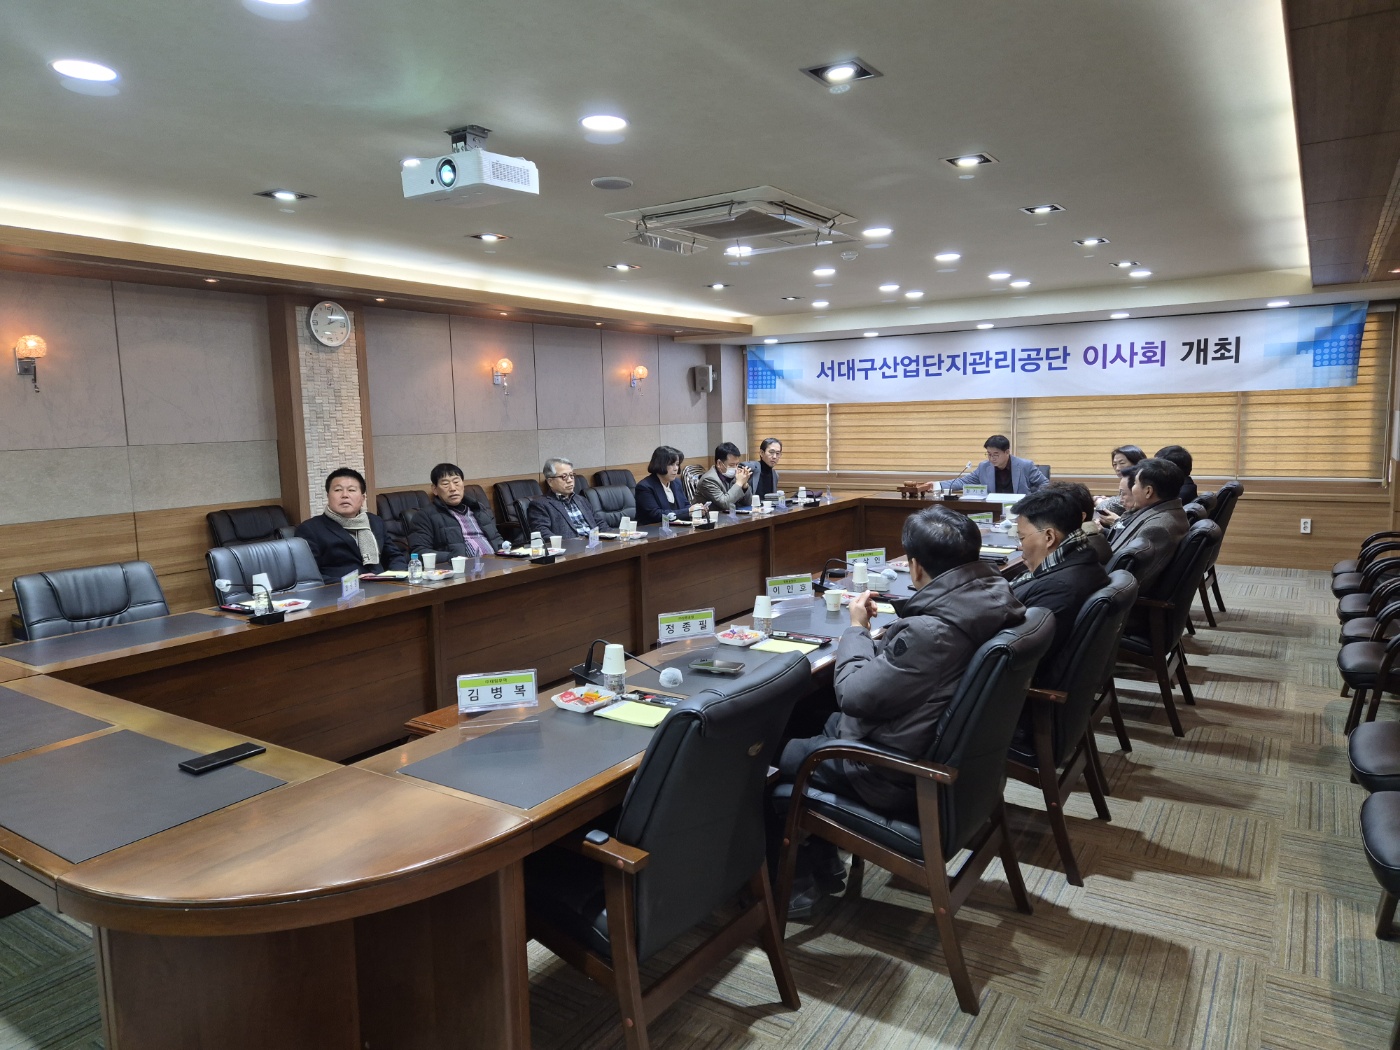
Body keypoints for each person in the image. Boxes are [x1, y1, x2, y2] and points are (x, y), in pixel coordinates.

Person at [776, 504, 1026, 914]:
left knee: (766, 752)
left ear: (915, 566)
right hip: (941, 757)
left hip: (889, 772)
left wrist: (857, 629)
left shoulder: (933, 631)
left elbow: (853, 694)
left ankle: (793, 886)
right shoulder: (995, 597)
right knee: (807, 716)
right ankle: (824, 858)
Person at [1010, 488, 1110, 680]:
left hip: (1022, 686)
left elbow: (1019, 654)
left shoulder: (1058, 588)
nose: (1020, 546)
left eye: (1022, 538)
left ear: (1049, 537)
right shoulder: (1083, 557)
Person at [295, 468, 406, 582]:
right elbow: (309, 575)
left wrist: (395, 577)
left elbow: (394, 556)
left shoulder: (374, 522)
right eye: (338, 490)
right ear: (328, 496)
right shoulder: (310, 529)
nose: (345, 495)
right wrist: (351, 582)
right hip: (339, 590)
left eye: (351, 490)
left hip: (383, 587)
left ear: (363, 498)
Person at [1108, 457, 1189, 591]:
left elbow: (1135, 581)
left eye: (1134, 483)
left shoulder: (1157, 528)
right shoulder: (1168, 509)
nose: (1132, 488)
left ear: (1148, 491)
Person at [408, 462, 507, 559]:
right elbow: (419, 551)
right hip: (461, 567)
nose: (453, 488)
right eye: (445, 484)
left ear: (463, 485)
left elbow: (496, 538)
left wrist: (505, 550)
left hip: (495, 562)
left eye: (456, 482)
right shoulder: (424, 516)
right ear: (435, 489)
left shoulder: (478, 508)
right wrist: (453, 558)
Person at [947, 434, 1047, 495]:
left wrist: (1032, 500)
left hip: (1020, 509)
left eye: (996, 454)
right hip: (994, 508)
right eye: (989, 454)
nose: (991, 458)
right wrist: (938, 485)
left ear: (1007, 452)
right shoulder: (984, 467)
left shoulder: (1025, 465)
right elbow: (963, 482)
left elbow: (1045, 484)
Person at [526, 457, 599, 539]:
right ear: (550, 482)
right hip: (570, 545)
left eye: (571, 475)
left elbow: (599, 523)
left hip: (595, 543)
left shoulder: (581, 500)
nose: (570, 480)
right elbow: (542, 533)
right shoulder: (540, 505)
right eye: (564, 477)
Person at [1045, 480, 1112, 564]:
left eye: (1052, 513)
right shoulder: (1095, 542)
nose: (1046, 520)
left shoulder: (1078, 555)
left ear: (1081, 517)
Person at [634, 445, 704, 525]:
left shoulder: (676, 483)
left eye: (677, 464)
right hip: (653, 530)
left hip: (677, 529)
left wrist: (696, 510)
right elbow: (656, 514)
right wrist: (688, 512)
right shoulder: (644, 487)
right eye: (671, 464)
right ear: (660, 464)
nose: (676, 468)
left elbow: (685, 505)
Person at [697, 442, 753, 510]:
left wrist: (744, 486)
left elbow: (748, 503)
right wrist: (739, 483)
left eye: (737, 464)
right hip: (712, 516)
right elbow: (725, 504)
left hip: (732, 515)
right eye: (731, 465)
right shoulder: (708, 479)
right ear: (719, 463)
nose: (736, 468)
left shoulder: (734, 476)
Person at [745, 437, 783, 502]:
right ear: (762, 453)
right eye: (771, 452)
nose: (774, 457)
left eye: (777, 453)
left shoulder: (775, 475)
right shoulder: (749, 469)